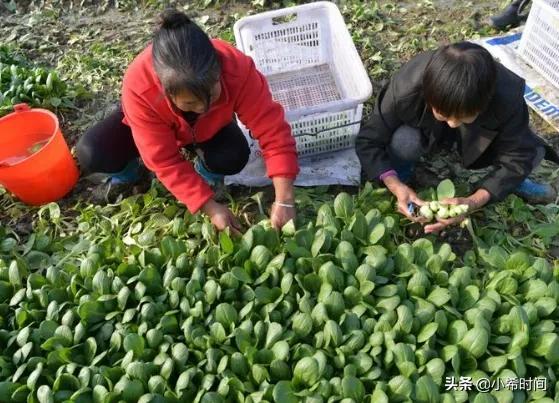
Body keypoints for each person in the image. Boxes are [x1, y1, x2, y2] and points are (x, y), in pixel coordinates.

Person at [76, 9, 299, 234]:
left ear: (219, 71)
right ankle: (130, 174)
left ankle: (207, 173)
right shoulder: (140, 88)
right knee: (92, 152)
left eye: (211, 96)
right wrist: (211, 208)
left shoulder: (237, 68)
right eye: (191, 103)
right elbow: (164, 161)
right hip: (154, 124)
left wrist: (284, 200)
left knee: (233, 155)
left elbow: (273, 131)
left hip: (210, 130)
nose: (203, 108)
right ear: (165, 92)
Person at [355, 41, 558, 234]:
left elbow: (518, 157)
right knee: (404, 141)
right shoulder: (406, 88)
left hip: (482, 130)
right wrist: (394, 184)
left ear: (485, 102)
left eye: (463, 117)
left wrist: (474, 201)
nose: (452, 123)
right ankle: (402, 174)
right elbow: (369, 139)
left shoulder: (506, 98)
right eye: (443, 114)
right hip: (427, 128)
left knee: (524, 151)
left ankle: (507, 182)